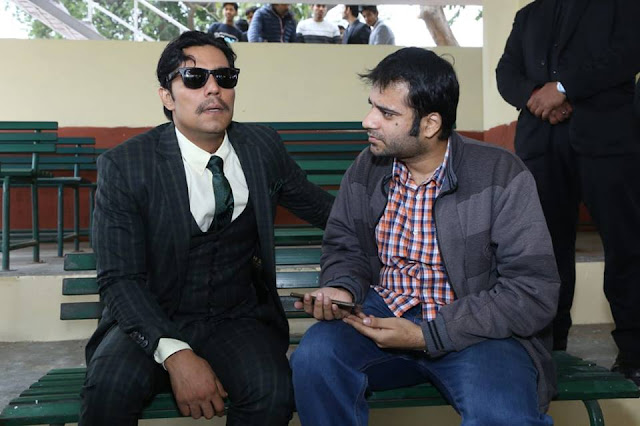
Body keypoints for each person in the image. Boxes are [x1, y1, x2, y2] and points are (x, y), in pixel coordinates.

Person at [291, 47, 560, 425]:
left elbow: (532, 292)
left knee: (501, 414)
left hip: (476, 332)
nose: (368, 121)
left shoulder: (500, 174)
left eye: (387, 114)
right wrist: (342, 289)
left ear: (430, 124)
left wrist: (429, 335)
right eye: (372, 107)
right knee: (314, 359)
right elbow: (344, 246)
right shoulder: (368, 168)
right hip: (381, 317)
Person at [81, 31, 334, 425]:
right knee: (109, 391)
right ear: (167, 96)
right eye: (195, 78)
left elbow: (326, 212)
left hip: (235, 316)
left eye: (225, 77)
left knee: (273, 392)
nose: (213, 88)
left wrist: (399, 229)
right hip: (152, 313)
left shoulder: (261, 147)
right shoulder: (127, 165)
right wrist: (176, 354)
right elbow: (119, 279)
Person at [496, 0, 640, 385]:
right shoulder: (528, 15)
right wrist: (535, 96)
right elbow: (506, 72)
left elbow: (628, 53)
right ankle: (549, 346)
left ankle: (635, 353)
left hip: (608, 143)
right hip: (541, 145)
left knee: (626, 246)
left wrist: (563, 89)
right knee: (543, 251)